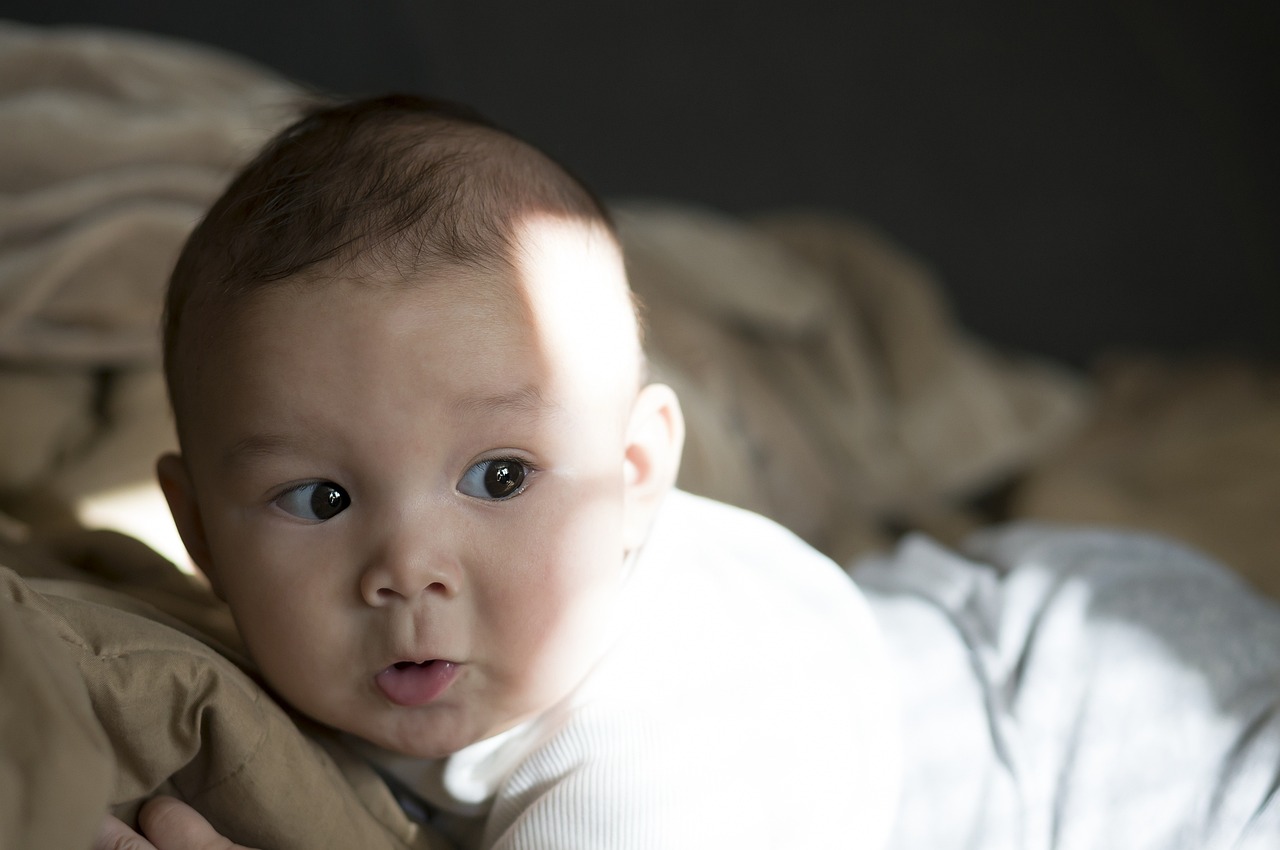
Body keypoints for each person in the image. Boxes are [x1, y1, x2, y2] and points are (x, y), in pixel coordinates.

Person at [95, 94, 901, 850]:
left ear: (633, 471)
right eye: (321, 499)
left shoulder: (664, 733)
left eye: (501, 478)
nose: (408, 571)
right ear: (198, 531)